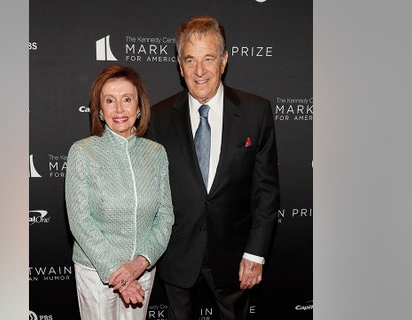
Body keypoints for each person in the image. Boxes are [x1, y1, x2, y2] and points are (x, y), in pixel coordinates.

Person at [146, 16, 280, 320]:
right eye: (190, 60)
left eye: (208, 58)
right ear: (180, 65)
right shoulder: (158, 117)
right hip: (177, 253)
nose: (200, 71)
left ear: (224, 61)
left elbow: (266, 191)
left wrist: (255, 253)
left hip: (235, 256)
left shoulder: (255, 112)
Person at [65, 64, 174, 320]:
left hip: (142, 272)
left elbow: (165, 216)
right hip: (97, 272)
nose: (119, 109)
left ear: (139, 107)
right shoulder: (83, 152)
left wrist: (140, 264)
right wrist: (119, 275)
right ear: (100, 111)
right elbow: (80, 222)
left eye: (127, 99)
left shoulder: (156, 153)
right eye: (110, 101)